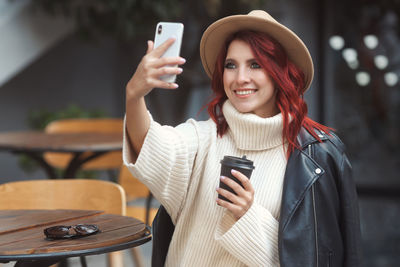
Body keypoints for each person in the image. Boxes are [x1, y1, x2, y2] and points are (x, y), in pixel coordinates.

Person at [123, 10, 362, 267]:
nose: (240, 78)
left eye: (255, 65)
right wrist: (134, 96)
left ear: (280, 73)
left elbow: (317, 256)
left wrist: (247, 215)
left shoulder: (315, 156)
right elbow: (149, 145)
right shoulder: (202, 137)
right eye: (231, 65)